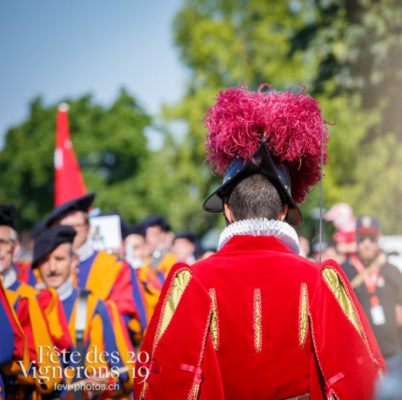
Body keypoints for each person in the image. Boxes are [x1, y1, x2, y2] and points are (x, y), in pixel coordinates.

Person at [134, 85, 385, 399]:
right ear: (283, 211)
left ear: (227, 209)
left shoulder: (192, 281)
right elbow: (362, 381)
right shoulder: (320, 281)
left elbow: (158, 386)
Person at [34, 225, 134, 398]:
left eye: (59, 259)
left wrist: (102, 385)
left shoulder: (97, 307)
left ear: (74, 261)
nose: (51, 267)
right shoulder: (27, 307)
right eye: (45, 260)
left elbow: (126, 374)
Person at [44, 193, 147, 345]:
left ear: (88, 229)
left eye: (74, 227)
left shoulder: (115, 266)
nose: (66, 233)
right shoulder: (42, 268)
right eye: (60, 228)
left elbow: (128, 317)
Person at [0, 204, 64, 398]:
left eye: (1, 243)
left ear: (15, 248)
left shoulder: (33, 298)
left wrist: (18, 374)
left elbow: (53, 372)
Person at [341, 215, 402, 361]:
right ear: (355, 239)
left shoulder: (392, 270)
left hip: (392, 353)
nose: (367, 243)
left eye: (372, 238)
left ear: (379, 238)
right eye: (362, 238)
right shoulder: (343, 271)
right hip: (358, 355)